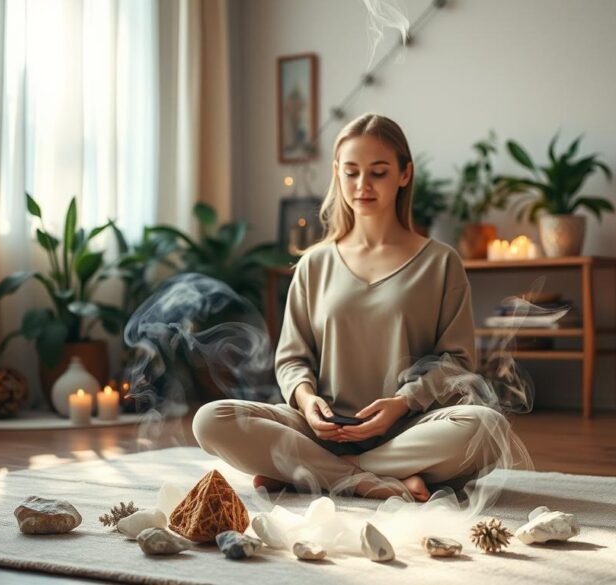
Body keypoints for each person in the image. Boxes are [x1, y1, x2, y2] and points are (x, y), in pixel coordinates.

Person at [193, 113, 517, 502]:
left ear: (404, 174)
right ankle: (371, 480)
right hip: (320, 432)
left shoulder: (441, 263)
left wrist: (403, 403)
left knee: (486, 427)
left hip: (408, 430)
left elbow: (458, 361)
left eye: (378, 172)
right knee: (211, 420)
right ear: (337, 174)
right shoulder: (314, 263)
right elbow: (292, 358)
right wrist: (307, 400)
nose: (362, 185)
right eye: (351, 172)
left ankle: (313, 474)